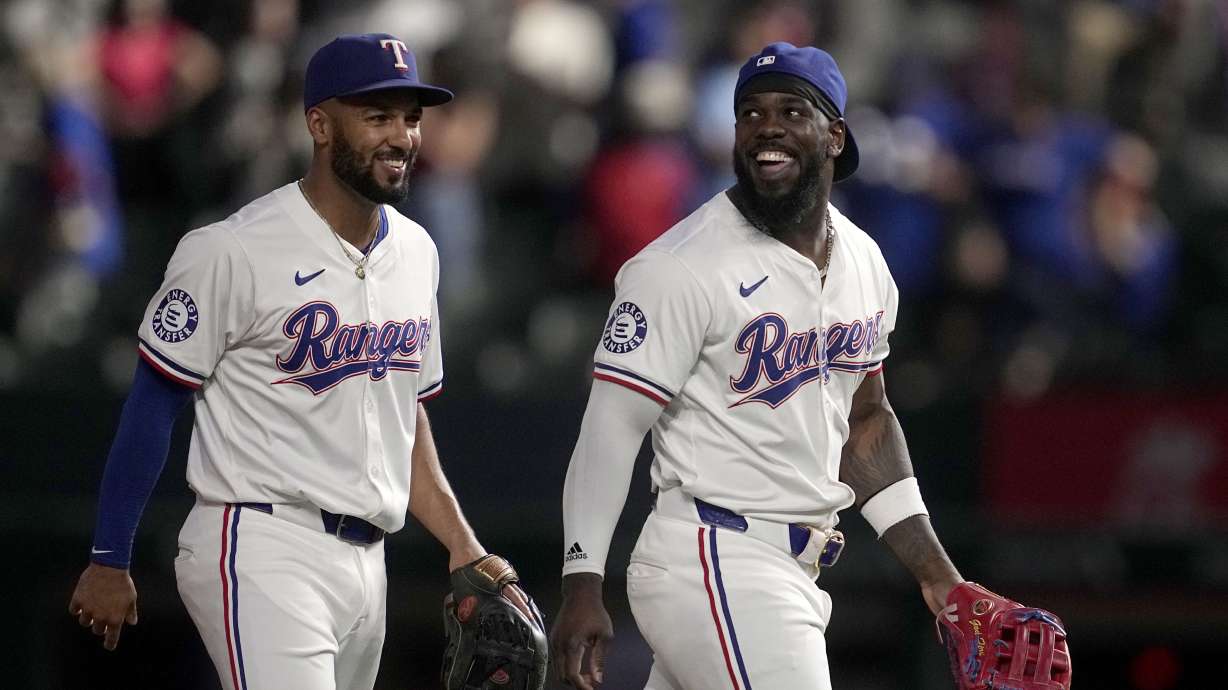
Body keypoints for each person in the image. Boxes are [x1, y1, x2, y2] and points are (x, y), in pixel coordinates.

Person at [68, 33, 537, 690]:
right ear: (319, 123)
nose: (401, 136)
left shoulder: (419, 251)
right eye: (377, 116)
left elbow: (404, 420)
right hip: (260, 538)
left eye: (410, 117)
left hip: (368, 559)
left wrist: (463, 542)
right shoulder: (233, 250)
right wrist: (108, 557)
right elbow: (154, 399)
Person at [550, 42, 966, 689]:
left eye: (791, 110)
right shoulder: (680, 266)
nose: (766, 126)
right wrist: (582, 580)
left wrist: (937, 575)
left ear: (835, 136)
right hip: (713, 555)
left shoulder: (865, 263)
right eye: (750, 112)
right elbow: (611, 428)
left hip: (795, 567)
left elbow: (865, 422)